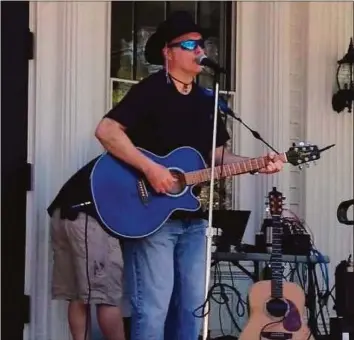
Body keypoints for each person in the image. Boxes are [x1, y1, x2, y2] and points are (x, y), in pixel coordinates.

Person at [94, 10, 285, 340]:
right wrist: (152, 170)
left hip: (194, 219)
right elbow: (107, 131)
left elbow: (218, 157)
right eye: (191, 44)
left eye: (203, 44)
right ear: (168, 52)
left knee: (193, 305)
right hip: (151, 215)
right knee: (153, 305)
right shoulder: (150, 91)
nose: (201, 50)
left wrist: (257, 162)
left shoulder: (207, 101)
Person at [47, 165, 126, 339]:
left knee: (78, 295)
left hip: (63, 214)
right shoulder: (145, 160)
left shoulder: (117, 158)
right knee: (107, 295)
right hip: (89, 218)